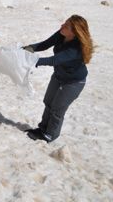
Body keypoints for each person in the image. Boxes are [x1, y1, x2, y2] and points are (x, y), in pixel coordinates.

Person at [23, 15, 94, 143]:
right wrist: (26, 49)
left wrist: (30, 61)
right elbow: (45, 44)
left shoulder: (75, 48)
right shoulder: (61, 35)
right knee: (48, 102)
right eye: (64, 23)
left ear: (74, 32)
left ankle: (50, 135)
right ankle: (42, 129)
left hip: (73, 82)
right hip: (58, 76)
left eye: (66, 26)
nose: (62, 26)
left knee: (57, 109)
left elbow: (54, 60)